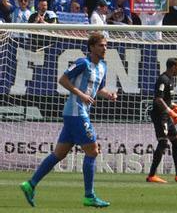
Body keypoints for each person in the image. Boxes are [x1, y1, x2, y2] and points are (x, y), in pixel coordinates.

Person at [20, 33, 117, 208]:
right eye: (101, 45)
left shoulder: (102, 66)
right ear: (92, 47)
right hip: (76, 112)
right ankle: (89, 196)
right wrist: (81, 95)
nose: (105, 48)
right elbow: (63, 80)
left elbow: (97, 88)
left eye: (106, 45)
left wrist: (108, 94)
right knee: (93, 151)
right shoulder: (82, 63)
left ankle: (30, 184)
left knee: (59, 154)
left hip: (79, 113)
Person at [146, 58, 177, 183]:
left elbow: (165, 99)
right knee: (163, 143)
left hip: (166, 116)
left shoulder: (170, 80)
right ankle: (151, 175)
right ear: (173, 67)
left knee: (176, 141)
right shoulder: (163, 79)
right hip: (159, 115)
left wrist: (173, 105)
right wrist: (171, 112)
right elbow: (158, 99)